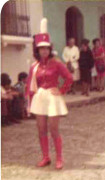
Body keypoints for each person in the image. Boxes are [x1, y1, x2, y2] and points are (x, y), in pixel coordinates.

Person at [26, 18, 73, 169]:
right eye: (41, 48)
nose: (44, 51)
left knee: (53, 129)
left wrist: (61, 90)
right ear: (37, 51)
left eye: (46, 48)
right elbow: (31, 85)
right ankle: (46, 157)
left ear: (50, 49)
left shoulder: (57, 63)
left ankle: (59, 158)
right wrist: (30, 101)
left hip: (53, 98)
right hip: (40, 97)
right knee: (41, 129)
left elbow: (69, 78)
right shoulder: (35, 66)